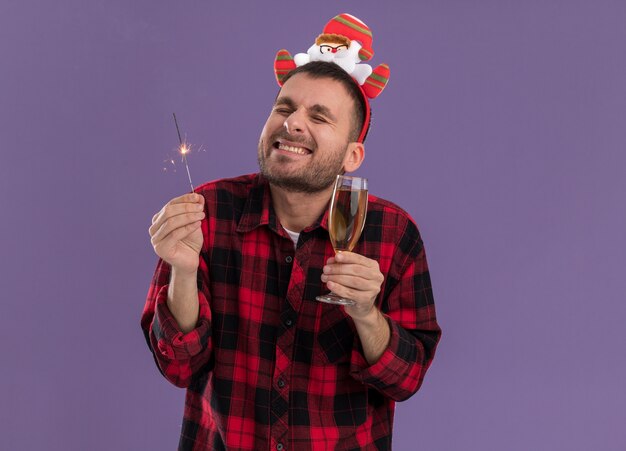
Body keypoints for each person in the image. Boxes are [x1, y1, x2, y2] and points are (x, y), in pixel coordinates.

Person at [141, 14, 441, 451]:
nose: (292, 123)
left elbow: (406, 378)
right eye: (285, 107)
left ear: (352, 154)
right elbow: (178, 367)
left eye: (319, 117)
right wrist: (182, 273)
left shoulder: (394, 233)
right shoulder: (207, 212)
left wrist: (365, 314)